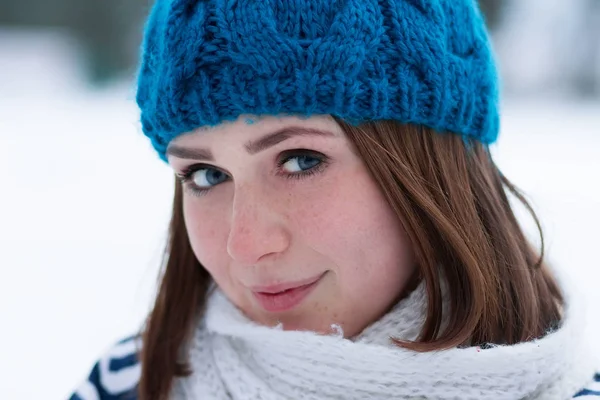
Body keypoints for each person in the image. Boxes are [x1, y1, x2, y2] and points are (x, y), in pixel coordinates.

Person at [70, 0, 600, 399]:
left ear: (434, 171)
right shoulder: (131, 385)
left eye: (301, 160)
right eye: (206, 174)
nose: (245, 245)